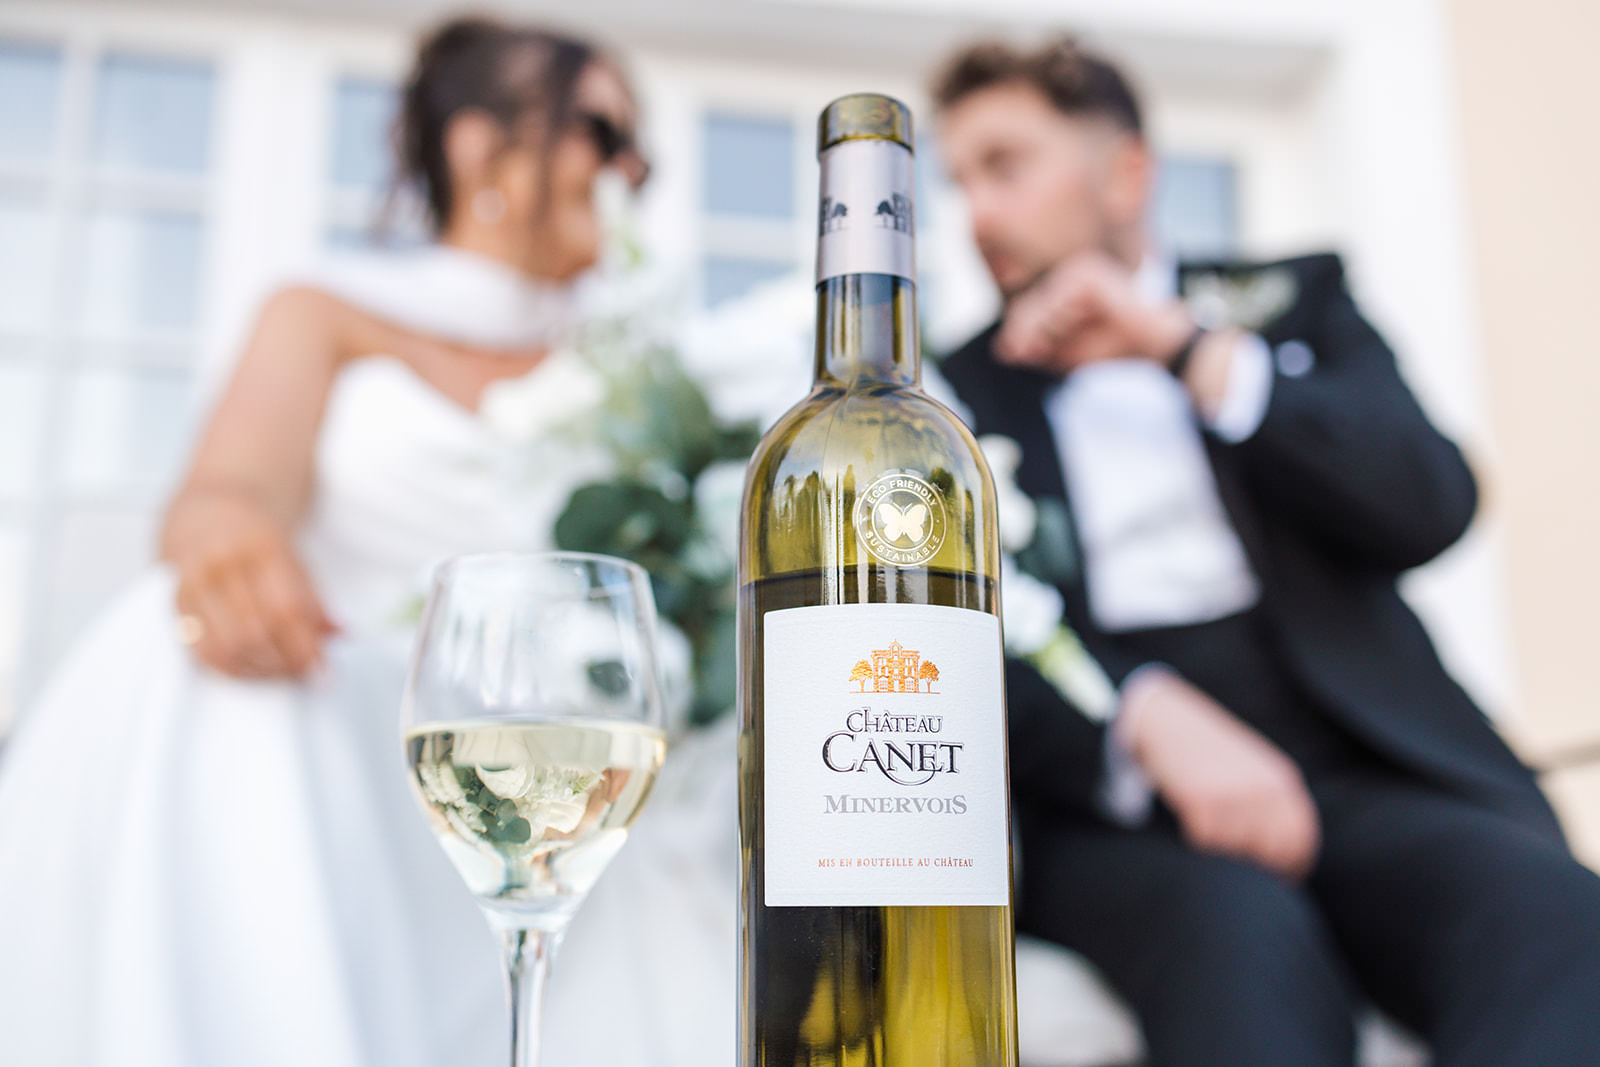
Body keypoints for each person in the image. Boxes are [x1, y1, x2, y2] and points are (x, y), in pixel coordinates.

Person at [0, 17, 726, 1067]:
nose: (632, 173)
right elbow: (229, 489)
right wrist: (232, 548)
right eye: (604, 133)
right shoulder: (325, 313)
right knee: (194, 651)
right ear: (481, 147)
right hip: (370, 749)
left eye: (640, 151)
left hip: (574, 794)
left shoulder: (653, 373)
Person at [931, 37, 1600, 1067]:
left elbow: (1429, 503)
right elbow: (956, 640)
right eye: (960, 182)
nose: (977, 214)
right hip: (1114, 807)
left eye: (1005, 167)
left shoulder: (1295, 302)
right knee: (1244, 947)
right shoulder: (947, 397)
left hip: (1355, 758)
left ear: (1125, 174)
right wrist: (1138, 718)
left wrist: (1187, 351)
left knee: (1551, 919)